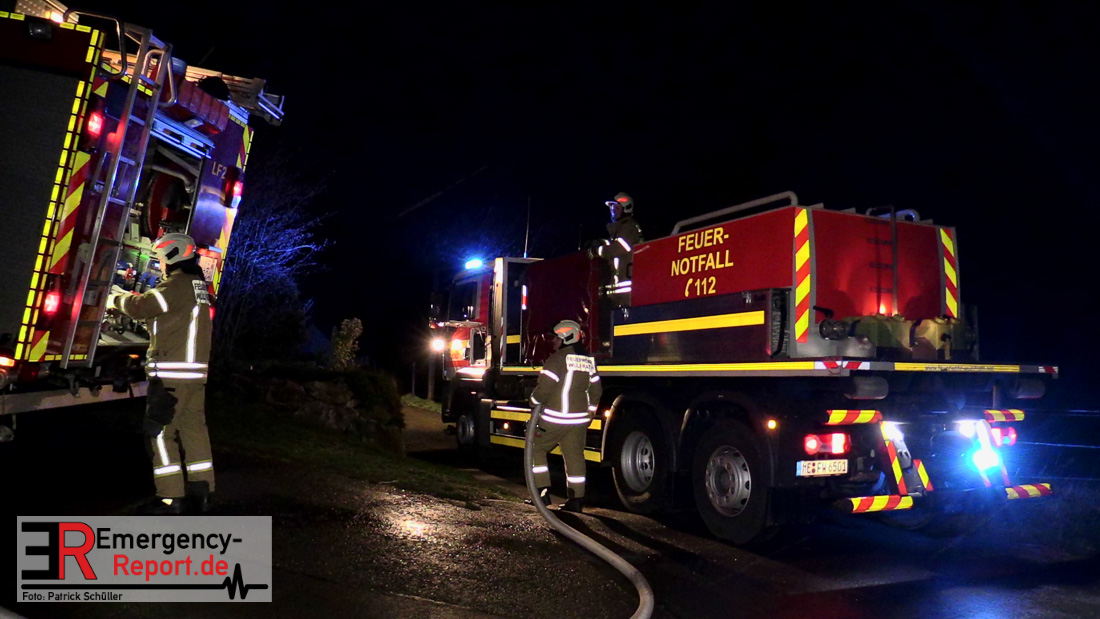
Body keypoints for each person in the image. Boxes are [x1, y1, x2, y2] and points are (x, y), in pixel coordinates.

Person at [107, 233, 215, 515]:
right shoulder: (198, 286)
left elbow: (141, 307)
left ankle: (170, 498)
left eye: (160, 258)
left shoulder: (176, 285)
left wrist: (114, 298)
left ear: (173, 255)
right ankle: (202, 493)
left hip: (171, 375)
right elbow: (170, 320)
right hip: (194, 376)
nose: (160, 264)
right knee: (193, 431)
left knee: (159, 434)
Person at [529, 320, 602, 513]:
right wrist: (591, 411)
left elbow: (544, 390)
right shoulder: (588, 360)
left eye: (556, 338)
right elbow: (596, 390)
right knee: (575, 457)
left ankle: (541, 494)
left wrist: (533, 401)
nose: (553, 342)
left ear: (565, 338)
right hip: (579, 420)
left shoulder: (556, 359)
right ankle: (576, 500)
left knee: (536, 448)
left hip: (556, 418)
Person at [595, 192, 644, 286]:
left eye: (616, 208)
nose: (612, 211)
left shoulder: (629, 227)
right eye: (611, 208)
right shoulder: (620, 229)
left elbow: (617, 249)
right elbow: (612, 244)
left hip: (626, 286)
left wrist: (596, 251)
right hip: (618, 284)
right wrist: (600, 242)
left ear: (626, 209)